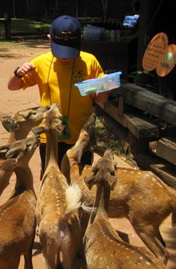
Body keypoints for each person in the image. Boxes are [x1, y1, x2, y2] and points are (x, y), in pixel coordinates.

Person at [8, 15, 109, 173]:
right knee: (52, 181)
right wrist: (18, 74)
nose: (64, 56)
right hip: (50, 136)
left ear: (80, 39)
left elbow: (101, 99)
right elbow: (12, 87)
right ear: (49, 39)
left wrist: (105, 87)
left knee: (79, 183)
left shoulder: (90, 61)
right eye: (60, 50)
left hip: (81, 137)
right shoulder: (40, 63)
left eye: (69, 51)